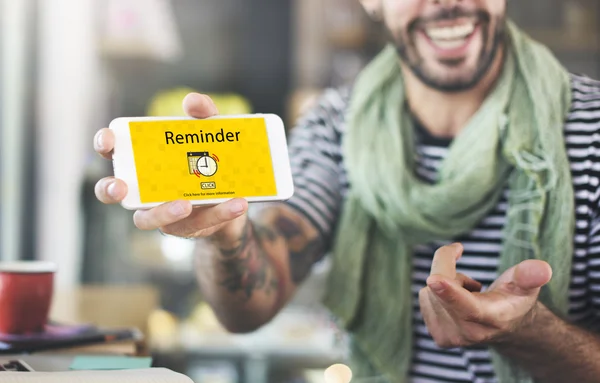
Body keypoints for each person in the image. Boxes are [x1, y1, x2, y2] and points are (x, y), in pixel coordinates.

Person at [93, 0, 600, 382]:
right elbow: (248, 306)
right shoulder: (335, 124)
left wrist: (531, 331)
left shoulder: (592, 127)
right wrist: (226, 236)